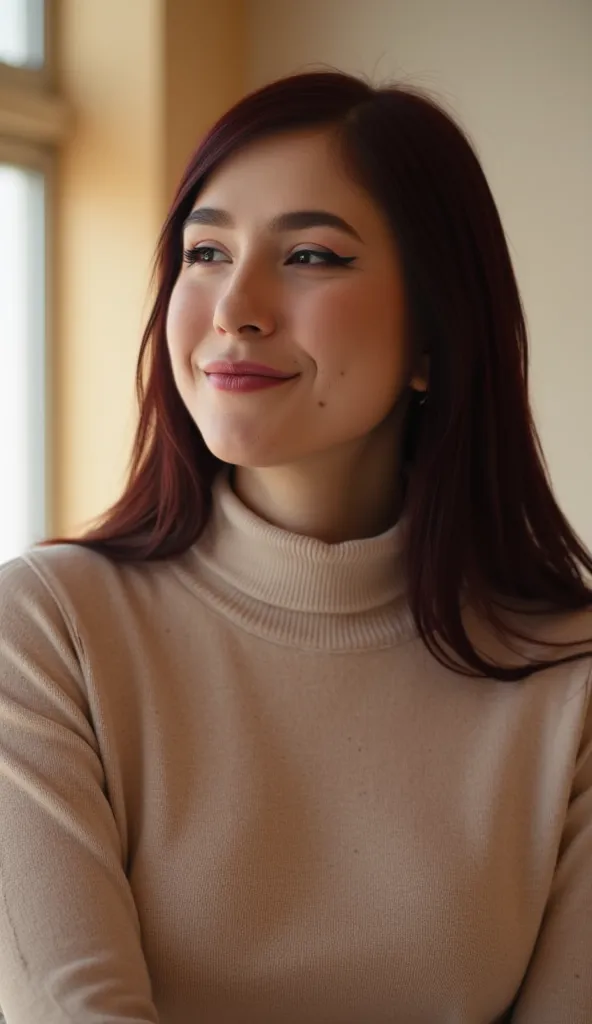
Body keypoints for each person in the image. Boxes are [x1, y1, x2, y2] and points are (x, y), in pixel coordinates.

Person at [0, 69, 590, 1024]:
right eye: (205, 251)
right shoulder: (46, 629)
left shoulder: (571, 678)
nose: (236, 306)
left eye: (312, 255)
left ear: (437, 338)